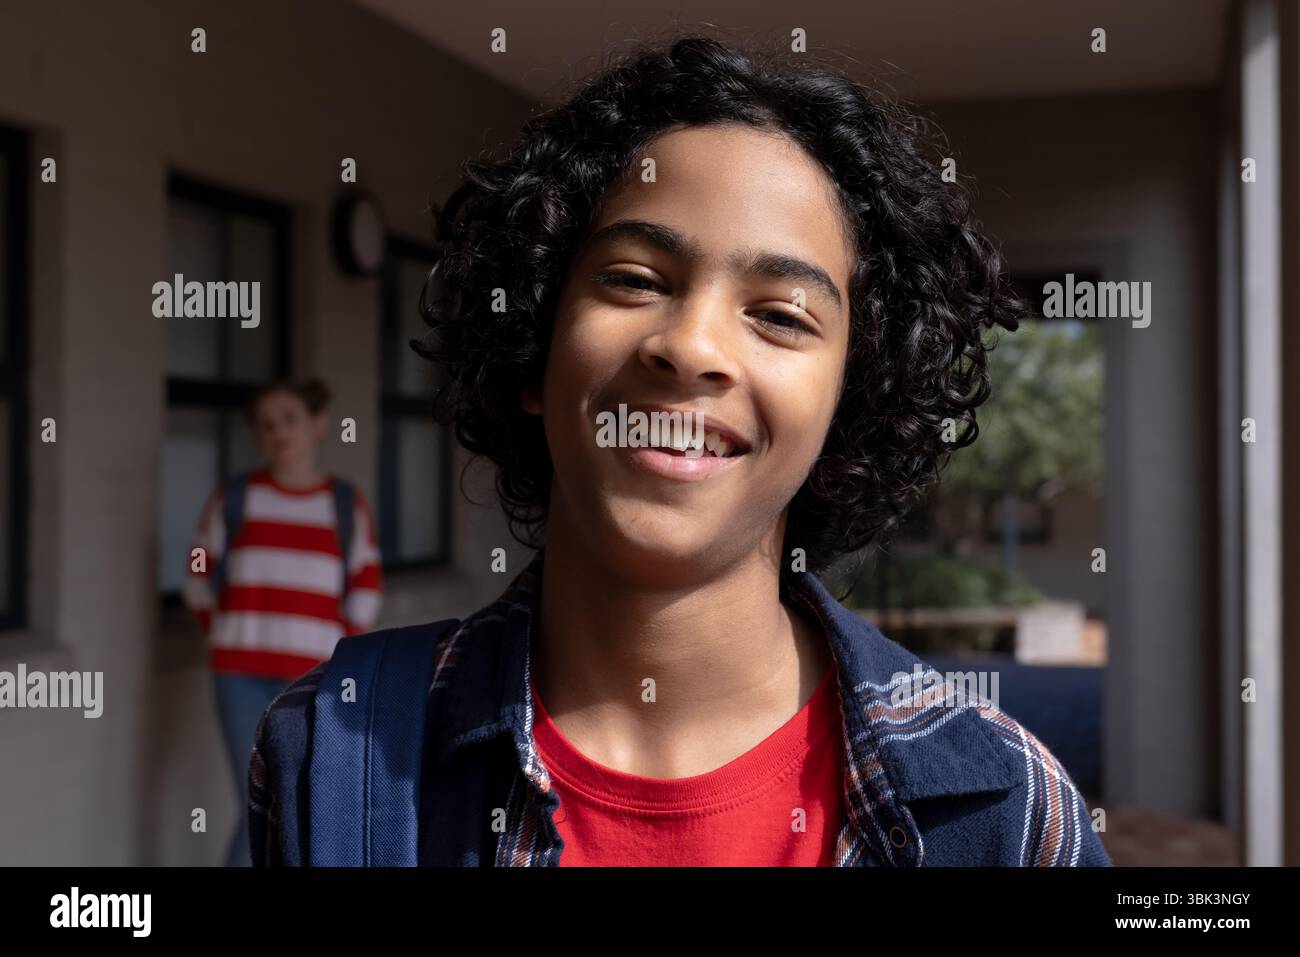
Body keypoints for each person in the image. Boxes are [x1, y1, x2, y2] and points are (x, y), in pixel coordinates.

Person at [249, 36, 1110, 866]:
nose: (691, 345)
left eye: (780, 314)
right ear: (533, 351)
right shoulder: (328, 753)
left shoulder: (1006, 811)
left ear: (850, 403)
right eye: (633, 279)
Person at [184, 377, 382, 866]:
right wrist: (227, 632)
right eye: (267, 425)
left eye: (290, 419)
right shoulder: (236, 497)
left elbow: (366, 589)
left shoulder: (344, 504)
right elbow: (194, 572)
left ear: (318, 425)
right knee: (257, 803)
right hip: (238, 677)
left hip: (312, 679)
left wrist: (336, 657)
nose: (279, 433)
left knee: (303, 801)